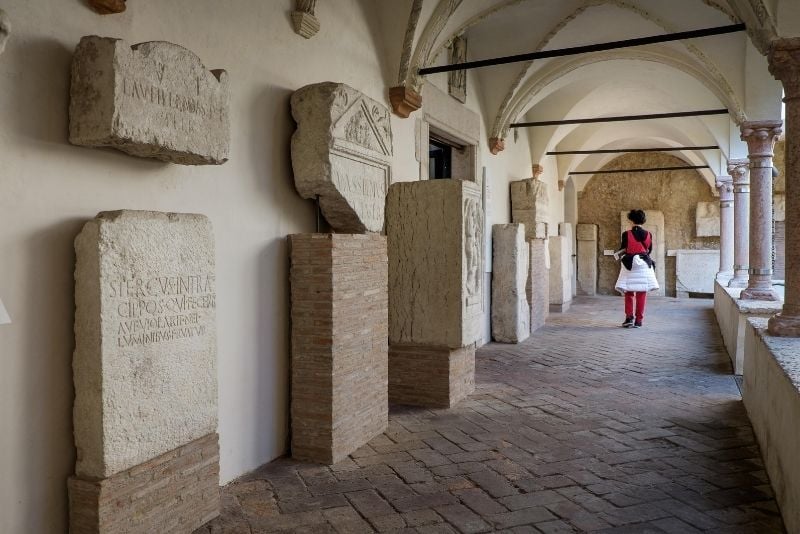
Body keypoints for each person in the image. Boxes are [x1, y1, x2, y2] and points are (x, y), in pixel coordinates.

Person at [615, 209, 659, 328]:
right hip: (644, 264)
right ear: (643, 221)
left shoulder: (626, 234)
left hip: (630, 265)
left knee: (628, 292)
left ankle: (629, 318)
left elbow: (623, 248)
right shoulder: (649, 234)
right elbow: (649, 250)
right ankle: (639, 320)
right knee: (641, 293)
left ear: (631, 220)